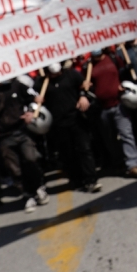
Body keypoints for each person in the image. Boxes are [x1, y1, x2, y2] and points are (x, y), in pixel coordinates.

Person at [0, 76, 50, 213]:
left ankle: (38, 187)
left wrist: (32, 112)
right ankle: (27, 194)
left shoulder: (16, 85)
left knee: (31, 159)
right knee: (14, 169)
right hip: (3, 136)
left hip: (21, 131)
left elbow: (34, 98)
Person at [35, 63, 101, 193]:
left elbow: (85, 84)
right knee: (67, 154)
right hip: (58, 125)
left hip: (76, 119)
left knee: (85, 149)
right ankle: (76, 180)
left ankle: (91, 180)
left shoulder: (71, 75)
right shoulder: (41, 83)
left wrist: (82, 95)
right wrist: (36, 99)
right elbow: (32, 99)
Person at [87, 49, 137, 179]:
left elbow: (123, 73)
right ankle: (119, 163)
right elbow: (86, 87)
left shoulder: (113, 57)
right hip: (102, 108)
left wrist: (124, 82)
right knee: (110, 139)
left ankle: (133, 165)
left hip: (118, 104)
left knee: (126, 134)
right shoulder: (89, 66)